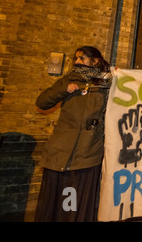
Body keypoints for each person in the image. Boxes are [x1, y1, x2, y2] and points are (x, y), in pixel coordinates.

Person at [35, 46, 112, 221]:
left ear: (96, 61)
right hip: (60, 154)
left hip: (87, 155)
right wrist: (63, 90)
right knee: (56, 205)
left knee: (76, 205)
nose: (77, 62)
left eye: (82, 58)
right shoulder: (69, 79)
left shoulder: (108, 82)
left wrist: (123, 79)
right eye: (76, 58)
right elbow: (42, 102)